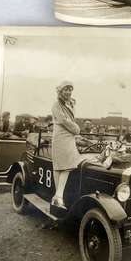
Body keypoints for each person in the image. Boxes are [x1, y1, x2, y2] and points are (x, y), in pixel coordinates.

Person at [51, 81, 81, 209]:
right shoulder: (56, 105)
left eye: (70, 90)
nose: (68, 92)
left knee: (62, 166)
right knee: (66, 165)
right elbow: (64, 120)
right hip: (62, 136)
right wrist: (77, 129)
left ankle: (58, 198)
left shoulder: (71, 103)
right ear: (60, 91)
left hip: (68, 137)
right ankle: (58, 197)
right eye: (65, 90)